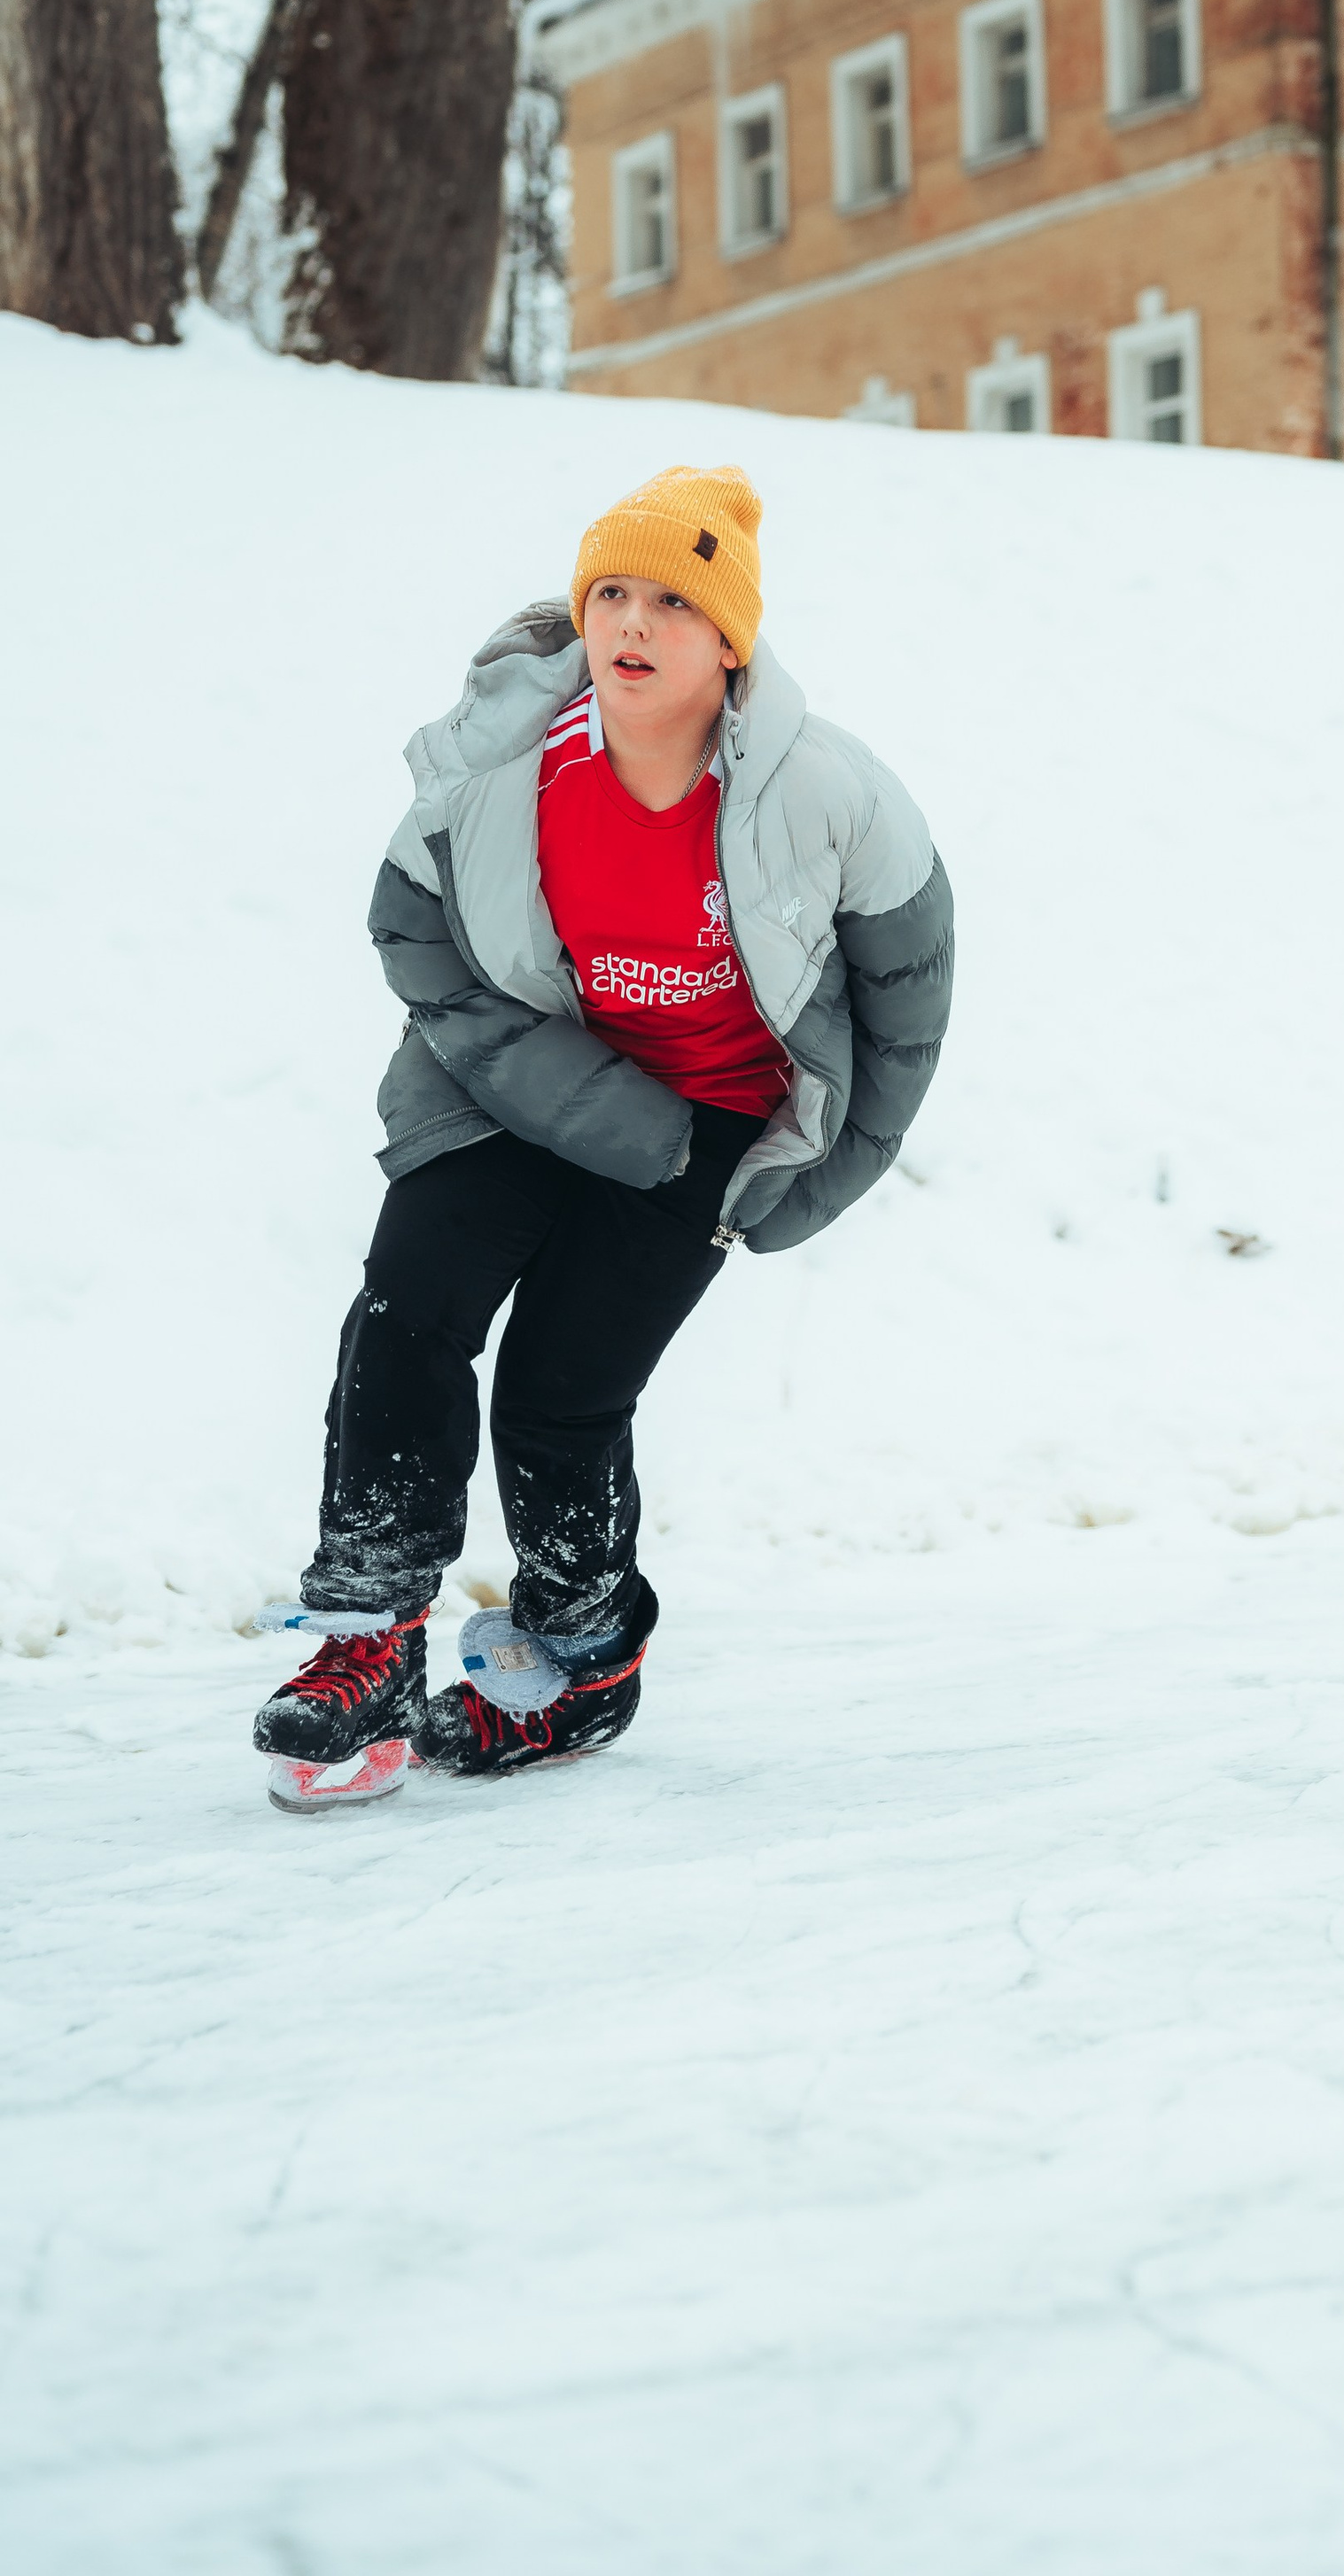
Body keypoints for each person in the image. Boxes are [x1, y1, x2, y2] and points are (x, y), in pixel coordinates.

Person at [252, 461, 952, 1809]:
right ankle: (368, 1635)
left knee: (560, 1399)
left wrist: (818, 1174)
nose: (633, 626)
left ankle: (581, 1669)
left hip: (700, 1124)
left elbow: (910, 1001)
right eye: (611, 596)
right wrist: (564, 1089)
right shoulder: (509, 763)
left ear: (730, 642)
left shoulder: (828, 794)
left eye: (672, 604)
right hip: (511, 1077)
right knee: (407, 1313)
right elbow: (412, 928)